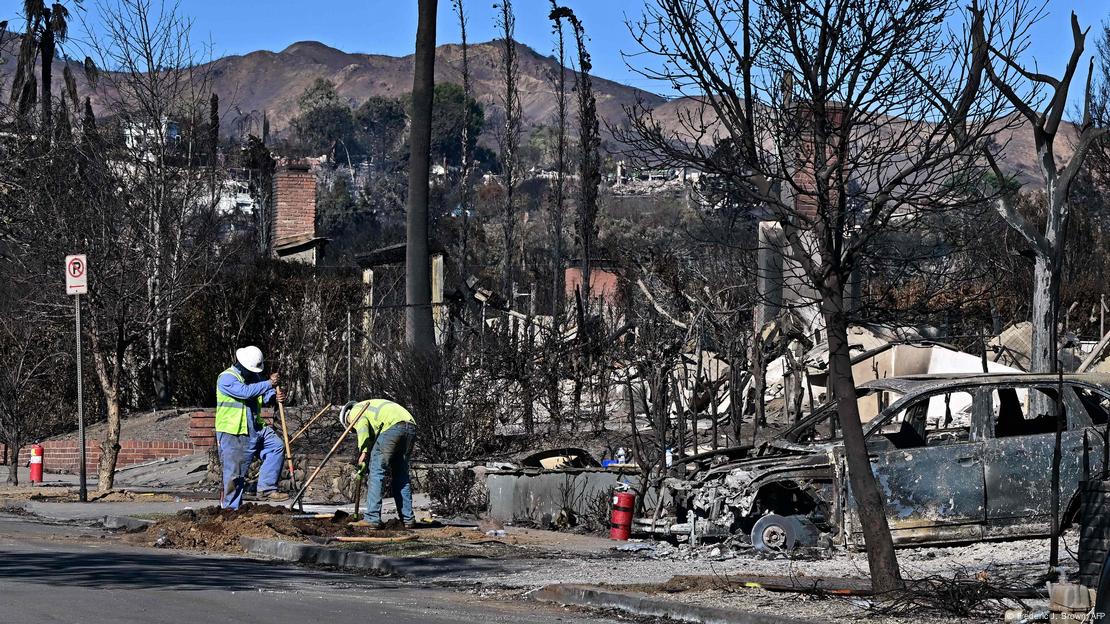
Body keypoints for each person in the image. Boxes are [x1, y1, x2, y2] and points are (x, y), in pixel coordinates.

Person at [215, 346, 289, 508]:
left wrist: (275, 396)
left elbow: (263, 394)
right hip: (233, 433)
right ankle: (230, 510)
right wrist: (269, 383)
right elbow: (246, 392)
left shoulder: (254, 376)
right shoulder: (226, 378)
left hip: (255, 428)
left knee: (276, 446)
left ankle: (267, 488)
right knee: (235, 475)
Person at [341, 399, 418, 528]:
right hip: (410, 427)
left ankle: (372, 518)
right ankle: (407, 519)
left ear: (346, 419)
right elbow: (373, 436)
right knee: (401, 475)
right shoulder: (372, 405)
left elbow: (363, 427)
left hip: (392, 427)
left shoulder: (355, 411)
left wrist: (364, 453)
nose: (354, 431)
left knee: (377, 471)